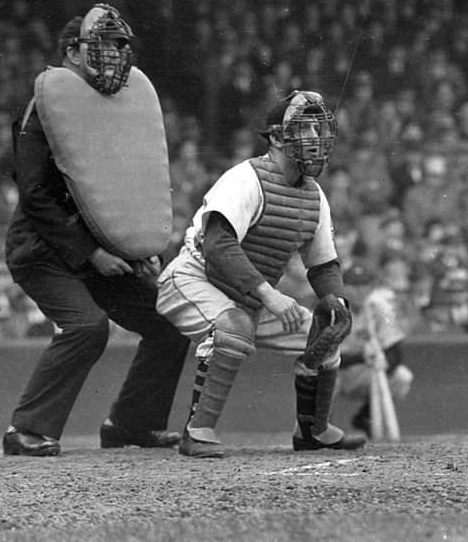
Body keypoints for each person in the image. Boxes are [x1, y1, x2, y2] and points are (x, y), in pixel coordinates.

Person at [3, 4, 190, 457]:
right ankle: (25, 431)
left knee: (170, 325)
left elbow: (122, 190)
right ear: (72, 52)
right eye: (103, 48)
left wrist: (135, 244)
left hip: (101, 254)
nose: (115, 57)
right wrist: (90, 253)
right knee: (87, 327)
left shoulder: (115, 109)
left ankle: (131, 425)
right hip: (43, 251)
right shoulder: (44, 107)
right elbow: (34, 195)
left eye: (119, 47)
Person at [156, 90, 366, 458]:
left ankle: (312, 431)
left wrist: (334, 298)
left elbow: (323, 265)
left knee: (326, 330)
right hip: (194, 277)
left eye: (318, 131)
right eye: (305, 130)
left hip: (247, 295)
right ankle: (197, 431)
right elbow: (218, 246)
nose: (315, 139)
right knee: (234, 326)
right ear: (277, 137)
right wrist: (270, 295)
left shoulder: (314, 196)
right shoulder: (246, 178)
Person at [336, 263, 414, 437]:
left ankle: (365, 418)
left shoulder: (380, 308)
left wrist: (383, 361)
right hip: (338, 373)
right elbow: (322, 356)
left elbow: (395, 351)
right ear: (343, 287)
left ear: (371, 287)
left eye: (364, 285)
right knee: (322, 375)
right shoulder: (333, 309)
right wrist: (361, 356)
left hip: (365, 373)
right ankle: (321, 429)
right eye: (353, 285)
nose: (359, 291)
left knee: (402, 377)